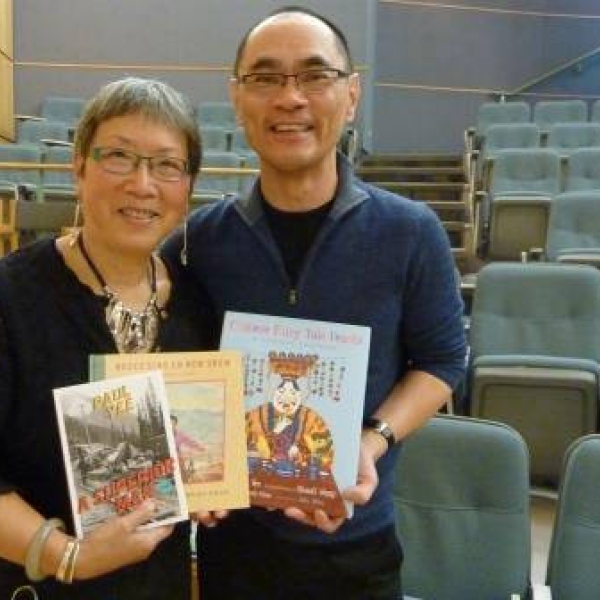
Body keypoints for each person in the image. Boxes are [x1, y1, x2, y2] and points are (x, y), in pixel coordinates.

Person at [163, 6, 467, 599]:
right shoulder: (198, 241)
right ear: (237, 97)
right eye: (266, 77)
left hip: (358, 546)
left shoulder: (412, 231)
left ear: (351, 95)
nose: (290, 97)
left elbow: (442, 362)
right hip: (234, 548)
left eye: (314, 75)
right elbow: (174, 367)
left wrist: (370, 439)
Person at [0, 77, 214, 599]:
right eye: (118, 156)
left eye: (167, 165)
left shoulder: (199, 304)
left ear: (187, 186)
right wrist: (69, 556)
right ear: (78, 166)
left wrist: (209, 479)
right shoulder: (9, 296)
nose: (143, 184)